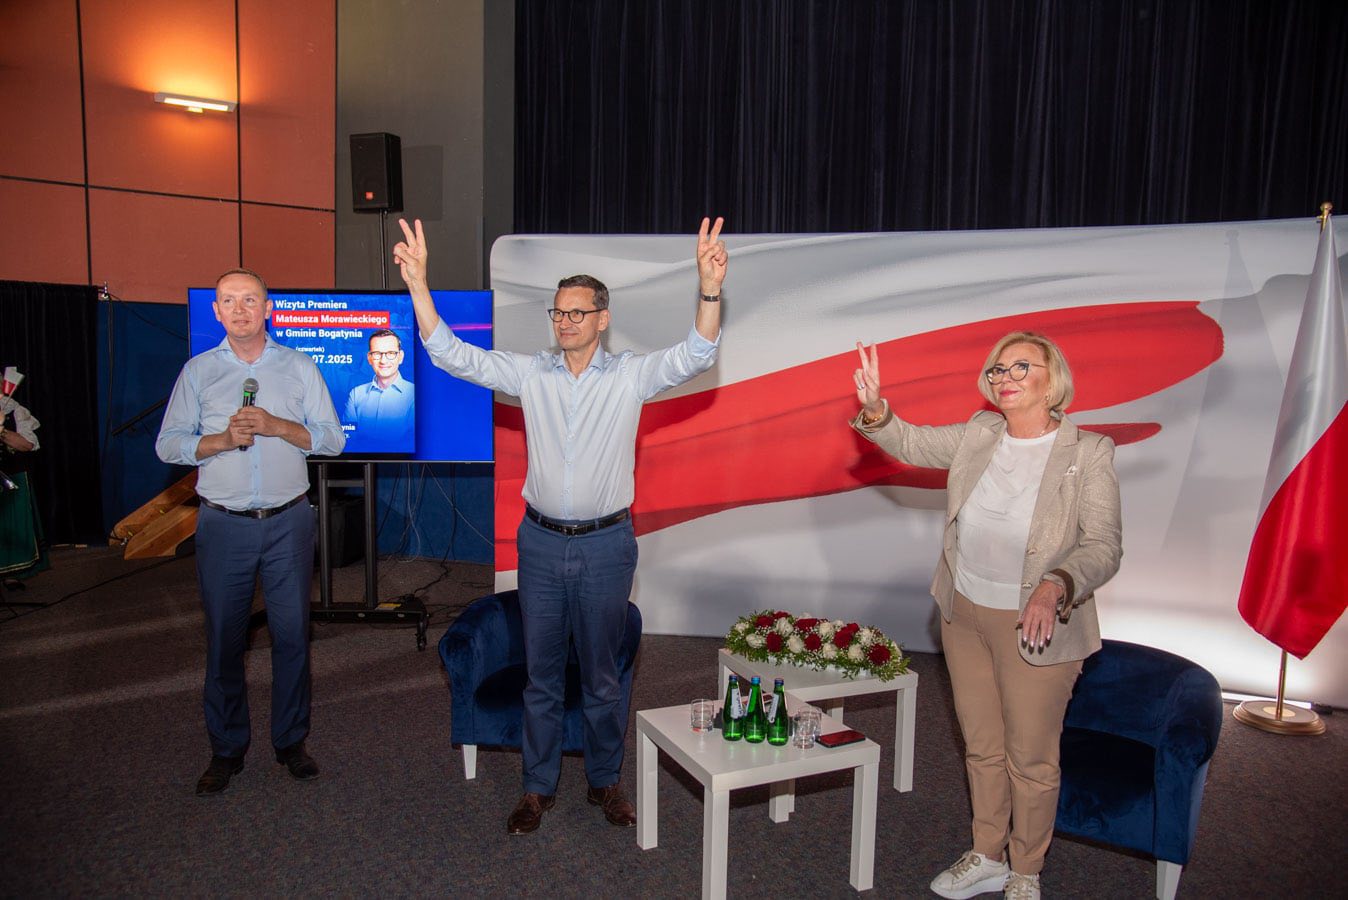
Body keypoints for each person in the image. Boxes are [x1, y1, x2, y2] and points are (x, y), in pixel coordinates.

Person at [393, 215, 727, 835]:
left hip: (606, 545)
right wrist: (418, 285)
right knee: (541, 675)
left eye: (577, 312)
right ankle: (537, 787)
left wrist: (708, 289)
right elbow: (451, 354)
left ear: (602, 319)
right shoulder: (531, 374)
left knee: (601, 675)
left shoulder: (630, 376)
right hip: (541, 543)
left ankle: (604, 781)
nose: (565, 321)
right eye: (558, 312)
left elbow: (697, 353)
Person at [850, 333, 1121, 900]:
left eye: (1021, 366)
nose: (1005, 377)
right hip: (964, 613)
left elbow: (1102, 545)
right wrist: (875, 408)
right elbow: (911, 442)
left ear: (1053, 378)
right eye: (998, 369)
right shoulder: (980, 432)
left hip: (1037, 624)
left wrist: (1056, 583)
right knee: (981, 746)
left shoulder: (1088, 451)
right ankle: (988, 853)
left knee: (1031, 758)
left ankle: (1026, 869)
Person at [157, 268, 346, 796]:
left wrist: (277, 426)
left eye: (249, 300)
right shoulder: (197, 372)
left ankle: (291, 741)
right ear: (215, 311)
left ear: (268, 309)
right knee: (224, 642)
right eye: (229, 301)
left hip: (289, 522)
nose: (239, 309)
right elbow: (167, 445)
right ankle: (226, 749)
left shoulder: (299, 367)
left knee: (292, 638)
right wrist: (220, 440)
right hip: (223, 525)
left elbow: (332, 440)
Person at [0, 391, 49, 586]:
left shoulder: (14, 410)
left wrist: (2, 431)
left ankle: (12, 572)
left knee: (11, 525)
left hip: (11, 478)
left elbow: (28, 445)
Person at [344, 329, 415, 448]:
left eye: (391, 353)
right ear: (369, 358)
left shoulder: (414, 394)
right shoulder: (356, 394)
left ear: (400, 357)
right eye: (377, 353)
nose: (383, 360)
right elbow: (350, 440)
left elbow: (411, 440)